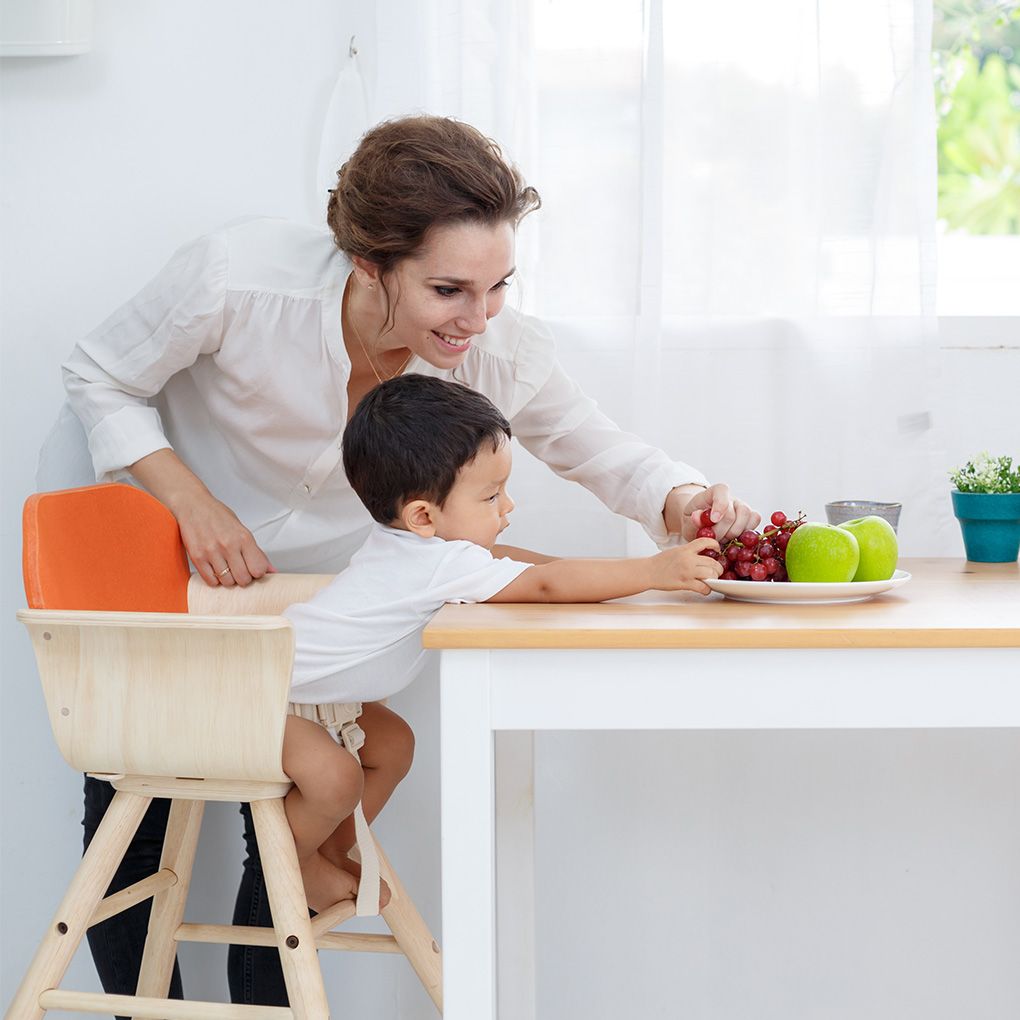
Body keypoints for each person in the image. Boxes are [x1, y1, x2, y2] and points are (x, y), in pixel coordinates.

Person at [42, 114, 759, 1007]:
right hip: (162, 545)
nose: (479, 319)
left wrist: (683, 502)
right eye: (451, 289)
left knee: (277, 817)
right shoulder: (238, 280)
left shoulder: (496, 349)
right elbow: (99, 375)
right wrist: (190, 500)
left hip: (310, 595)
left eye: (499, 287)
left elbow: (602, 450)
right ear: (370, 265)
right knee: (137, 804)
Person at [280, 374, 724, 919]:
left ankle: (330, 848)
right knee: (336, 777)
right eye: (491, 495)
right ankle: (293, 866)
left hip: (309, 698)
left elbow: (529, 569)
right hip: (260, 695)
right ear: (424, 516)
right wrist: (653, 572)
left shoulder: (413, 549)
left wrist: (589, 573)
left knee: (392, 745)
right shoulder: (436, 562)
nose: (507, 506)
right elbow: (545, 586)